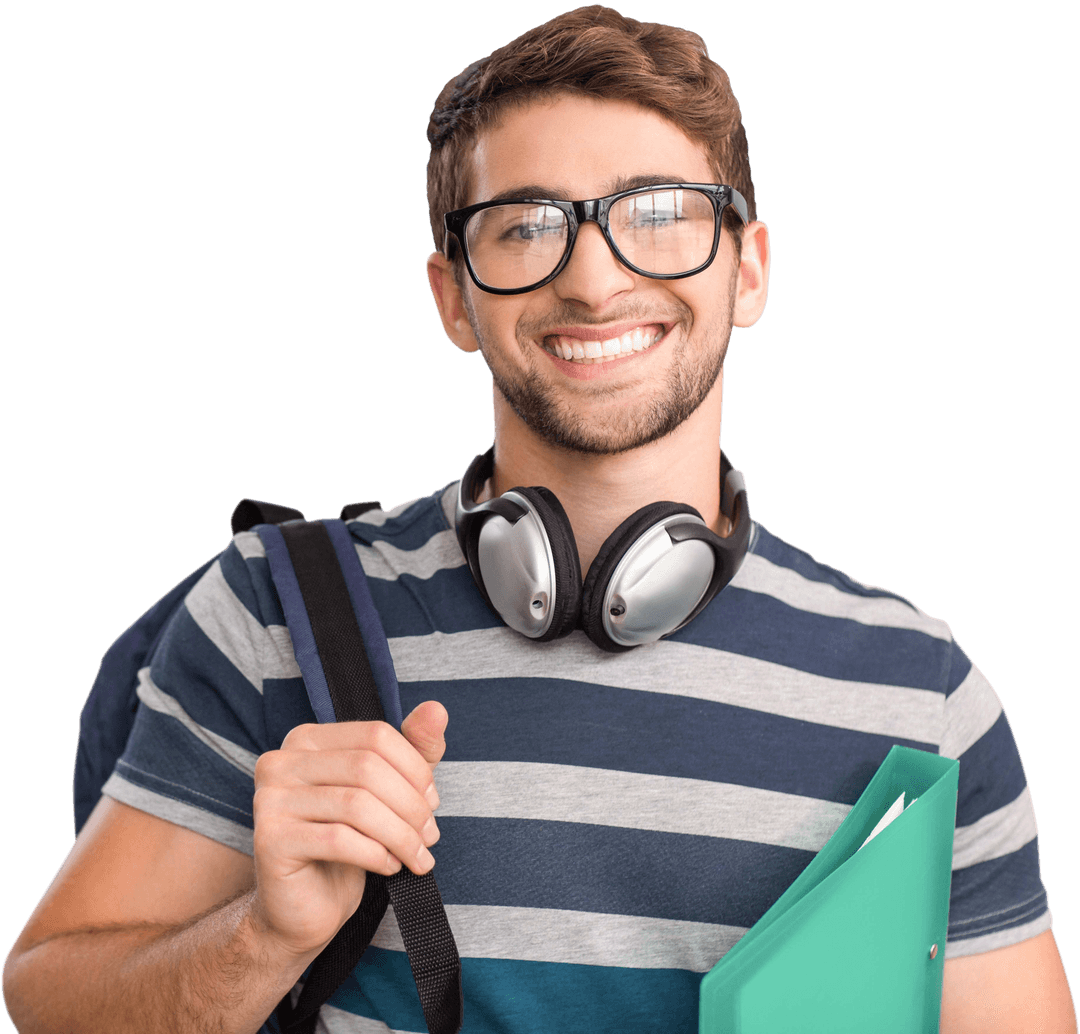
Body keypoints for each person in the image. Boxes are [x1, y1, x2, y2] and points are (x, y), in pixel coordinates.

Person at [3, 6, 1076, 1033]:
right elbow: (51, 1000)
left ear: (748, 270)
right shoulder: (274, 614)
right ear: (453, 297)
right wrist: (265, 935)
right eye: (525, 227)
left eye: (657, 213)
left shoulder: (921, 691)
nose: (595, 281)